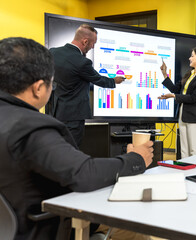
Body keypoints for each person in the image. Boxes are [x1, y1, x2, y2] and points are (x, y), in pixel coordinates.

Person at [0, 37, 153, 240]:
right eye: (51, 83)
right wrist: (136, 159)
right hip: (41, 228)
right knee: (136, 229)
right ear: (38, 88)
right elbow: (85, 174)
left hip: (10, 226)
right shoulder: (32, 127)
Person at [46, 24, 125, 146]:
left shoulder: (53, 52)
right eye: (93, 43)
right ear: (85, 41)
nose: (93, 47)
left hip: (55, 113)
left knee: (58, 148)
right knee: (72, 150)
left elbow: (71, 79)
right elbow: (99, 79)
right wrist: (114, 81)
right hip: (73, 117)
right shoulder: (82, 62)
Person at [159, 47, 196, 158]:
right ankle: (184, 173)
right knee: (184, 150)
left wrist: (174, 96)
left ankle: (195, 175)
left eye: (192, 56)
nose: (189, 58)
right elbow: (174, 89)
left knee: (194, 151)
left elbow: (194, 97)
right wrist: (164, 74)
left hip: (194, 117)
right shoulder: (189, 74)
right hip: (183, 115)